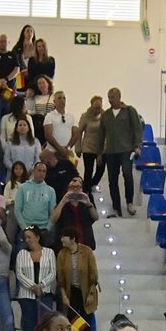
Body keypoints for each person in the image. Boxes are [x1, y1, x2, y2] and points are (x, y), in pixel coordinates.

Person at [99, 88, 142, 217]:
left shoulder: (129, 111)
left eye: (112, 97)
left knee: (127, 174)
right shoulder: (105, 115)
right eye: (109, 97)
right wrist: (99, 153)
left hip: (126, 149)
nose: (110, 100)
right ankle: (116, 205)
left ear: (119, 96)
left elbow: (137, 129)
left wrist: (137, 146)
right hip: (110, 151)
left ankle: (129, 202)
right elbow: (101, 135)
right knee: (112, 179)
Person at [14, 227, 57, 331]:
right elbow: (19, 274)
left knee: (45, 323)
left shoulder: (49, 252)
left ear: (37, 237)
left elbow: (52, 273)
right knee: (28, 323)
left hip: (45, 293)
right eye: (25, 237)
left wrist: (41, 285)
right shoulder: (21, 254)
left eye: (29, 237)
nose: (27, 240)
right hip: (26, 295)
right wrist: (33, 286)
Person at [56, 230, 98, 331]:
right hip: (71, 292)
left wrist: (91, 294)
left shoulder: (87, 251)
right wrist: (64, 296)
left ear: (73, 239)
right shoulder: (62, 254)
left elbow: (93, 275)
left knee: (86, 324)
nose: (62, 239)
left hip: (86, 291)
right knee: (71, 324)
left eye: (64, 237)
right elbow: (60, 279)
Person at [50, 175, 98, 249]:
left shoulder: (86, 202)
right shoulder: (62, 201)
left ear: (82, 189)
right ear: (67, 189)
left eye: (78, 187)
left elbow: (95, 217)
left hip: (85, 244)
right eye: (72, 187)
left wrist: (89, 204)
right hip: (66, 245)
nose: (75, 189)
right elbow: (53, 219)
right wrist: (63, 202)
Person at [76, 95, 105, 196]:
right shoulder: (85, 116)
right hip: (88, 147)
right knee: (88, 171)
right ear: (91, 106)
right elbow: (79, 132)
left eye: (99, 107)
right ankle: (86, 192)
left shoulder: (105, 116)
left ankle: (89, 185)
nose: (97, 110)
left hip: (101, 148)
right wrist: (78, 147)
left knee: (100, 170)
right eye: (95, 107)